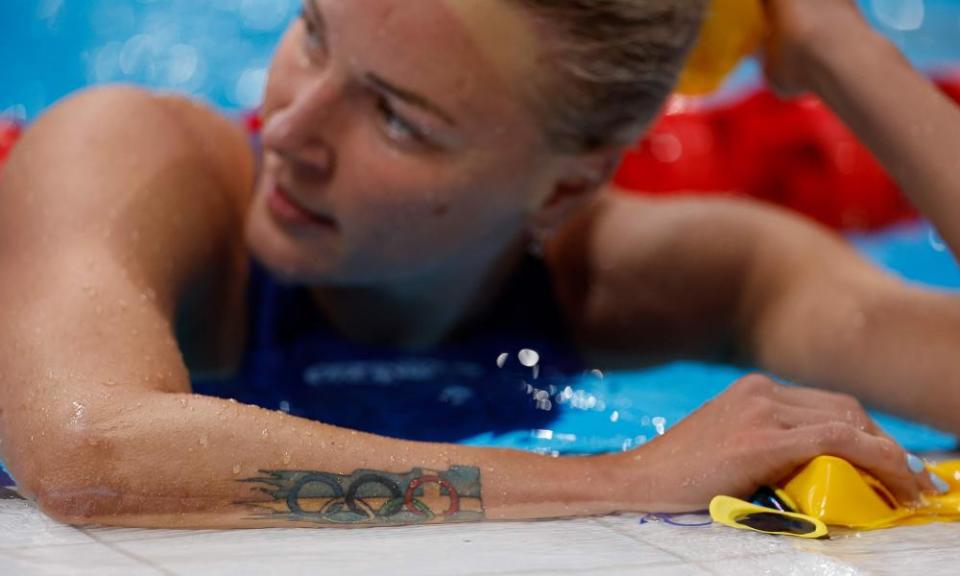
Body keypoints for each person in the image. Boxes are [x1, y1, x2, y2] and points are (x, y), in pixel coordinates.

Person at [1, 0, 959, 528]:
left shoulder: (643, 278)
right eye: (314, 29)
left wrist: (841, 48)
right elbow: (88, 450)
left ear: (558, 191)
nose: (286, 124)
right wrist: (624, 480)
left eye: (396, 116)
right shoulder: (131, 161)